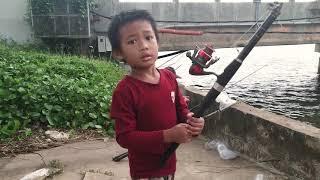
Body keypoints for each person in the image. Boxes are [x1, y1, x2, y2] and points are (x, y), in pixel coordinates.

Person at [108, 10, 205, 180]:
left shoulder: (169, 77)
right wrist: (168, 135)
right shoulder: (124, 91)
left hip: (169, 162)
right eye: (132, 41)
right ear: (119, 53)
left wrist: (192, 122)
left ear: (157, 41)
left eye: (148, 37)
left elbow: (182, 112)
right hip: (144, 171)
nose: (144, 46)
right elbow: (124, 137)